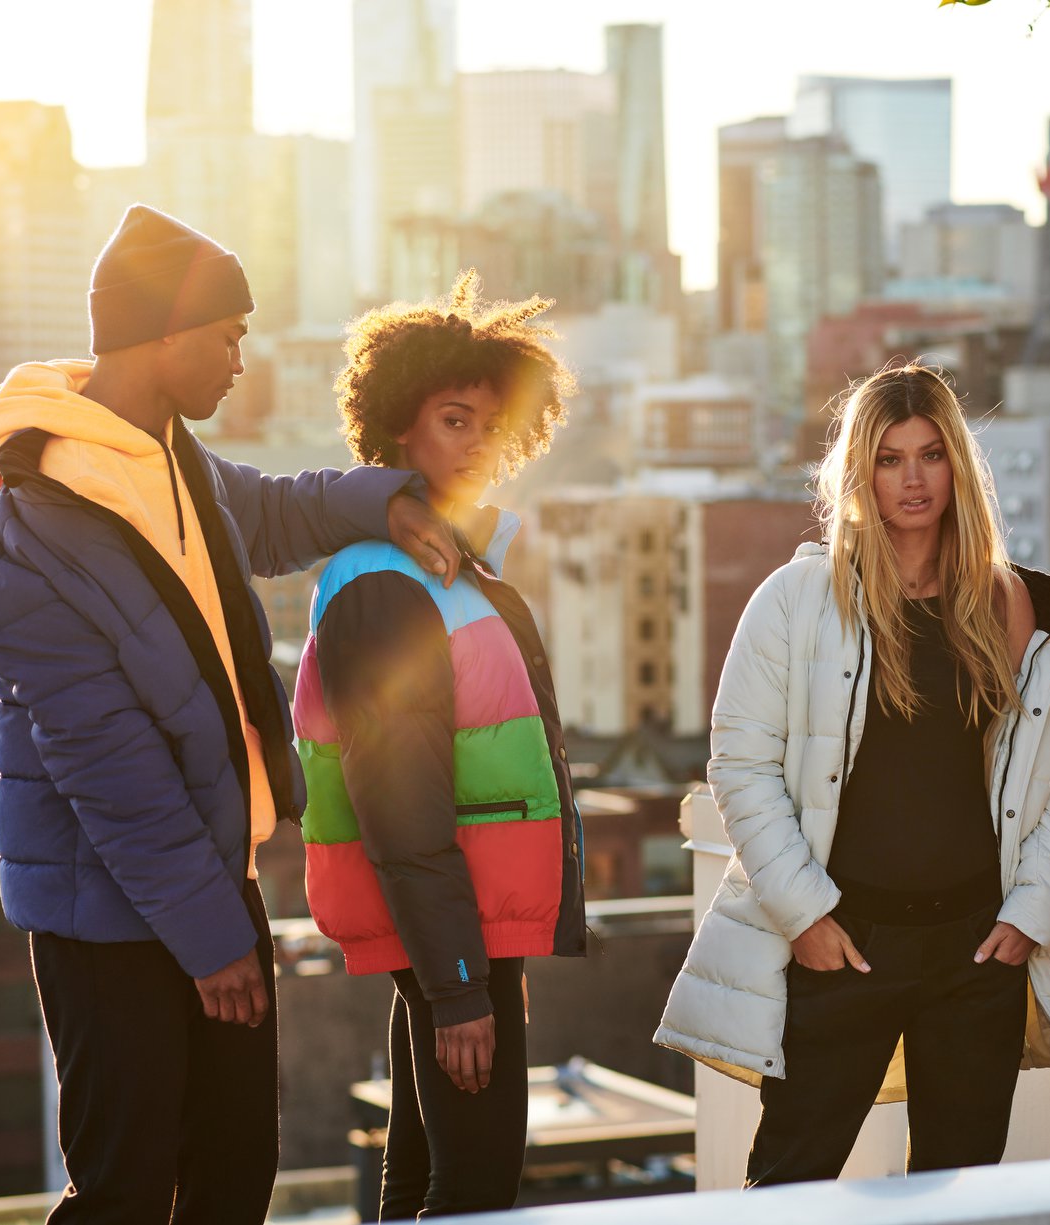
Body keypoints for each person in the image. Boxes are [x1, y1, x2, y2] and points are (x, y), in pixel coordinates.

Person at [0, 204, 459, 1223]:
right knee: (124, 1189)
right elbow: (107, 764)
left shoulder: (172, 460)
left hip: (212, 876)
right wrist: (212, 940)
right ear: (163, 334)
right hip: (106, 914)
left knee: (235, 1170)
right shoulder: (35, 520)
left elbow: (275, 510)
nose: (243, 362)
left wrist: (384, 503)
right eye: (229, 335)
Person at [654, 362, 1050, 1185]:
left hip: (976, 952)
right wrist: (806, 915)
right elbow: (740, 765)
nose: (912, 479)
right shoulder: (797, 598)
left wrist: (1033, 912)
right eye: (890, 459)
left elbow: (1045, 778)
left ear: (957, 465)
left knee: (959, 1194)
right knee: (787, 1184)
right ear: (859, 472)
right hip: (844, 942)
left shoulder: (1005, 603)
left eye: (931, 454)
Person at [293, 272, 587, 1216]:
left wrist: (485, 962)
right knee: (474, 1192)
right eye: (455, 420)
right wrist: (461, 983)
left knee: (422, 1179)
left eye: (493, 426)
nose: (479, 444)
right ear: (395, 429)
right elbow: (400, 799)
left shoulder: (449, 568)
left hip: (465, 928)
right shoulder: (387, 582)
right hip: (449, 930)